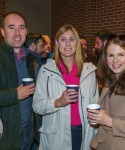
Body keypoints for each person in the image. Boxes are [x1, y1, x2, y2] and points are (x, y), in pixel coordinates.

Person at [33, 24, 99, 150]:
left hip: (84, 132)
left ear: (77, 43)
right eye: (63, 40)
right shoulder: (46, 70)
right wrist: (58, 102)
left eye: (72, 39)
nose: (67, 44)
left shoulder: (89, 71)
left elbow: (95, 103)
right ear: (57, 43)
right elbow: (37, 106)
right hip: (57, 135)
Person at [87, 34, 125, 150]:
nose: (115, 60)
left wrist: (110, 122)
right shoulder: (110, 81)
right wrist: (98, 118)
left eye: (121, 55)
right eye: (111, 55)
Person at [0, 11, 36, 150]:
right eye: (11, 27)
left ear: (26, 31)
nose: (17, 33)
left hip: (29, 133)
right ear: (2, 31)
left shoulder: (31, 59)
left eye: (21, 28)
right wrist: (15, 94)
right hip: (5, 137)